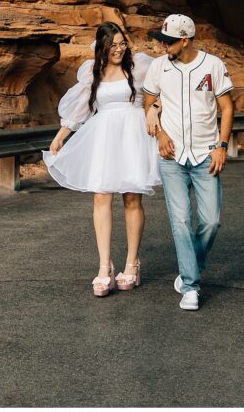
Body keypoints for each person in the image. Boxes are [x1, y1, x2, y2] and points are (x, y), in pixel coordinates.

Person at [43, 21, 161, 297]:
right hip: (104, 136)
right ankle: (104, 266)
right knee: (101, 196)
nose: (119, 50)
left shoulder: (140, 66)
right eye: (113, 45)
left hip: (133, 135)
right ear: (102, 47)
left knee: (132, 197)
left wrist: (155, 108)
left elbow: (163, 90)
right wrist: (62, 135)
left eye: (122, 44)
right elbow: (83, 107)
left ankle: (132, 263)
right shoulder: (91, 72)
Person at [142, 14, 234, 311]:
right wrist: (161, 135)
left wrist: (222, 147)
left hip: (206, 153)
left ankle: (190, 266)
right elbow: (149, 101)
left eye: (168, 41)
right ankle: (191, 286)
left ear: (185, 40)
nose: (162, 45)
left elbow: (227, 107)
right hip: (171, 155)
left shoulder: (213, 65)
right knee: (180, 221)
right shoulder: (158, 67)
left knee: (211, 220)